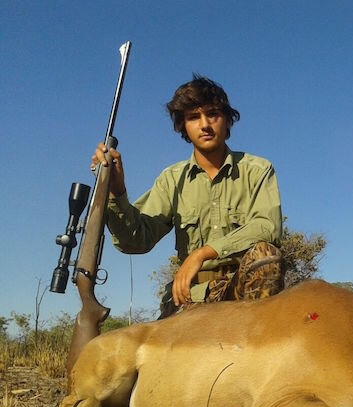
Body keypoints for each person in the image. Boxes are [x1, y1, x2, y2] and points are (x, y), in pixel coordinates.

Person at [92, 75, 284, 318]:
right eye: (194, 117)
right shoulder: (172, 179)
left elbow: (267, 226)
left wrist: (202, 253)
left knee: (266, 256)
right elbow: (135, 240)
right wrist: (116, 190)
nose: (204, 124)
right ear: (184, 127)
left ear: (227, 122)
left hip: (244, 292)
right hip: (191, 295)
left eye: (213, 114)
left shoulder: (257, 169)